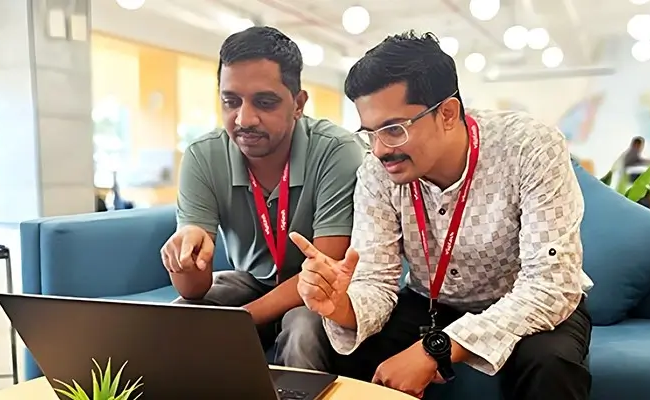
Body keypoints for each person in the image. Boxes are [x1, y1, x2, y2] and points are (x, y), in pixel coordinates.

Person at [291, 31, 594, 399]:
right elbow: (376, 279)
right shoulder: (375, 172)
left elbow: (551, 285)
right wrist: (344, 307)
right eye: (369, 133)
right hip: (432, 303)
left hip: (524, 301)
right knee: (351, 349)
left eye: (393, 129)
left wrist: (437, 348)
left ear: (448, 113)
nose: (381, 150)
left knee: (550, 363)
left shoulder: (529, 146)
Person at [160, 26, 365, 372]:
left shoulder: (337, 151)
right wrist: (185, 261)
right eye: (231, 101)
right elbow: (194, 290)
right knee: (182, 314)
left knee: (304, 329)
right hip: (250, 280)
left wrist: (239, 322)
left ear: (298, 104)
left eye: (264, 102)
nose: (244, 119)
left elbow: (323, 270)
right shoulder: (202, 156)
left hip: (318, 288)